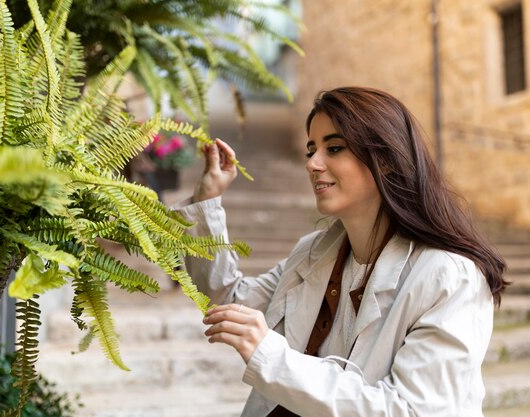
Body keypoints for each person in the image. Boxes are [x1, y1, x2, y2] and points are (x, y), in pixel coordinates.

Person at [174, 87, 508, 417]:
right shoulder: (313, 252)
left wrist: (273, 359)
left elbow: (410, 410)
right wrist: (207, 201)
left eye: (334, 148)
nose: (312, 164)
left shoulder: (450, 277)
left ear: (387, 160)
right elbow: (228, 301)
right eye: (311, 150)